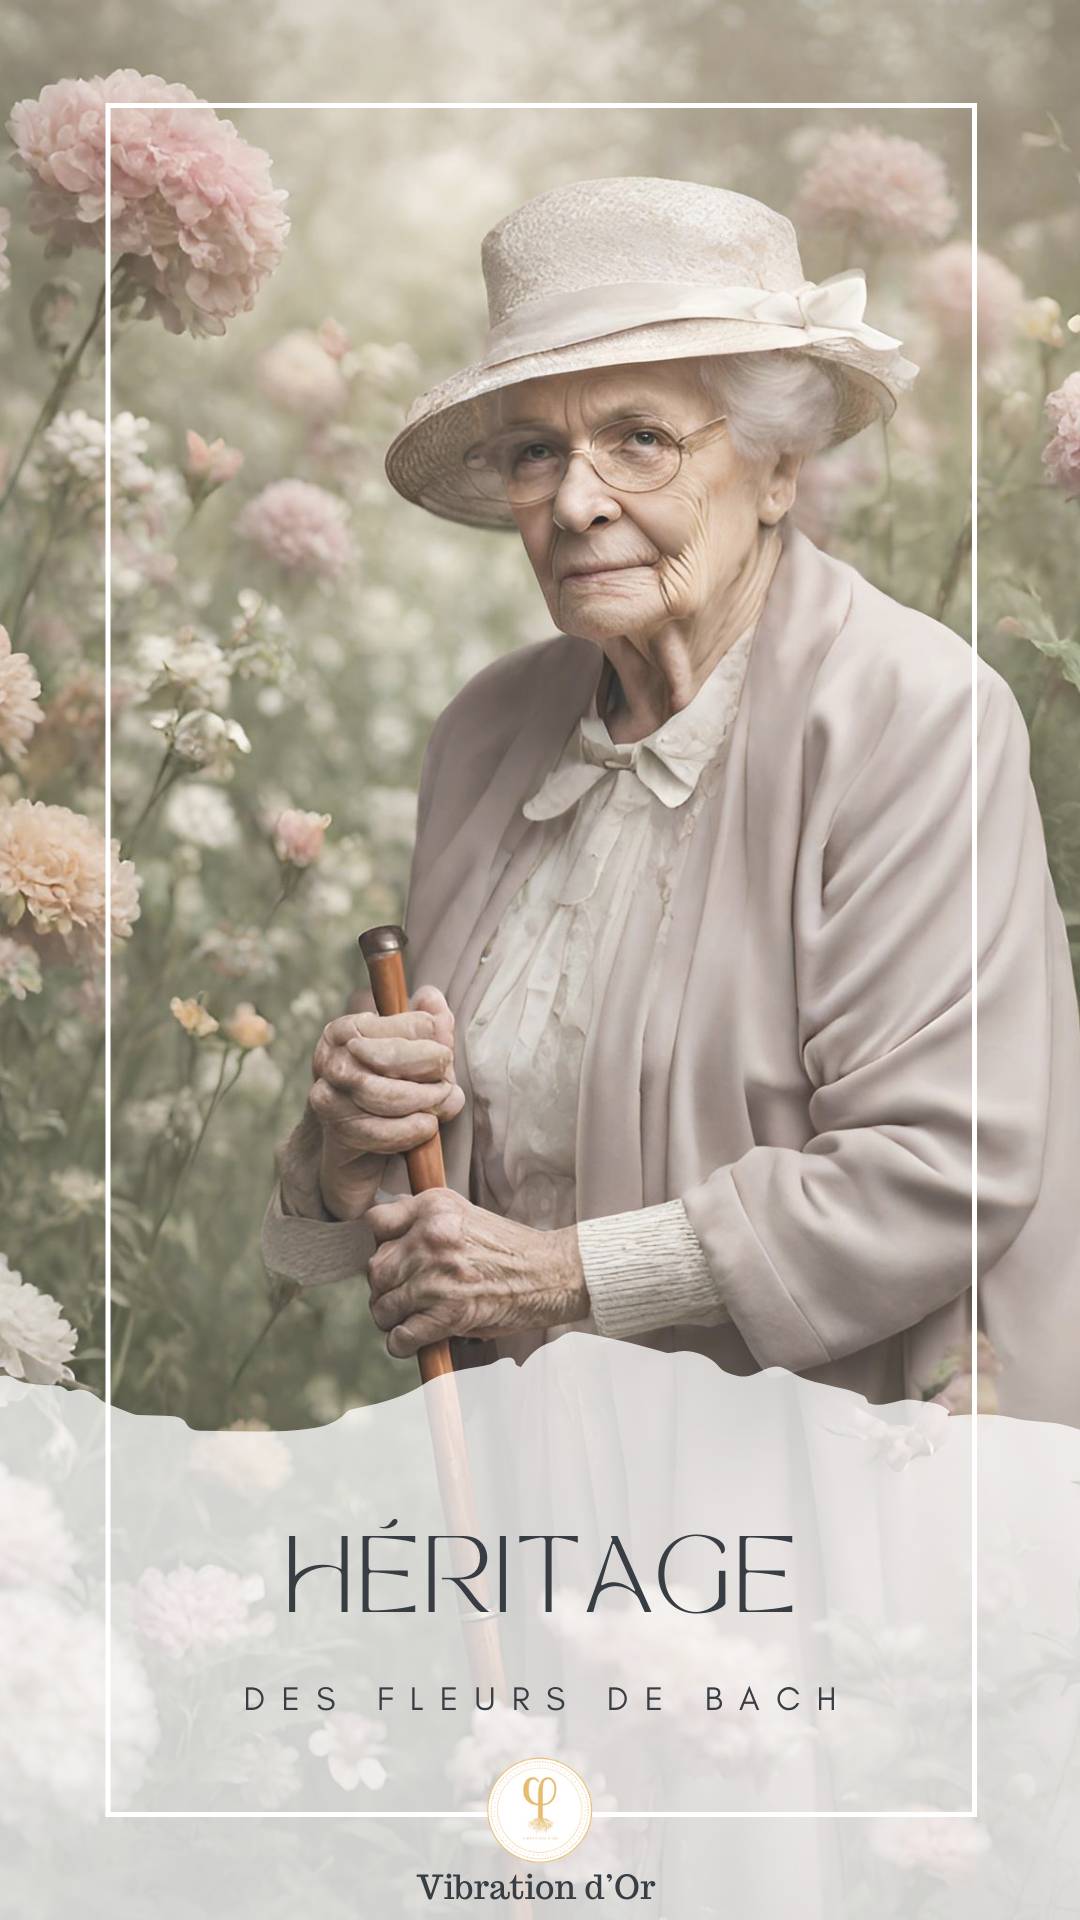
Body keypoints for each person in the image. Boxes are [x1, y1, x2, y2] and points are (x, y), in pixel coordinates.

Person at [261, 176, 1080, 1423]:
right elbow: (457, 1200)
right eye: (538, 450)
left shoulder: (914, 719)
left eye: (640, 437)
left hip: (830, 1493)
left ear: (775, 469)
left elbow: (937, 1174)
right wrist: (350, 1149)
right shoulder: (487, 736)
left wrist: (558, 1278)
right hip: (533, 1487)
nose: (578, 500)